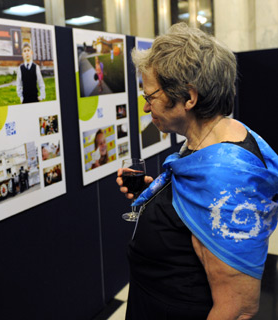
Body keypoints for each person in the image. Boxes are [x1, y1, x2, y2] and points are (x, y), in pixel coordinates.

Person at [116, 23, 278, 319]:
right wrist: (155, 197)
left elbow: (238, 308)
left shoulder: (226, 177)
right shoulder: (211, 141)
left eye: (149, 97)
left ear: (189, 98)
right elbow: (190, 216)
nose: (145, 107)